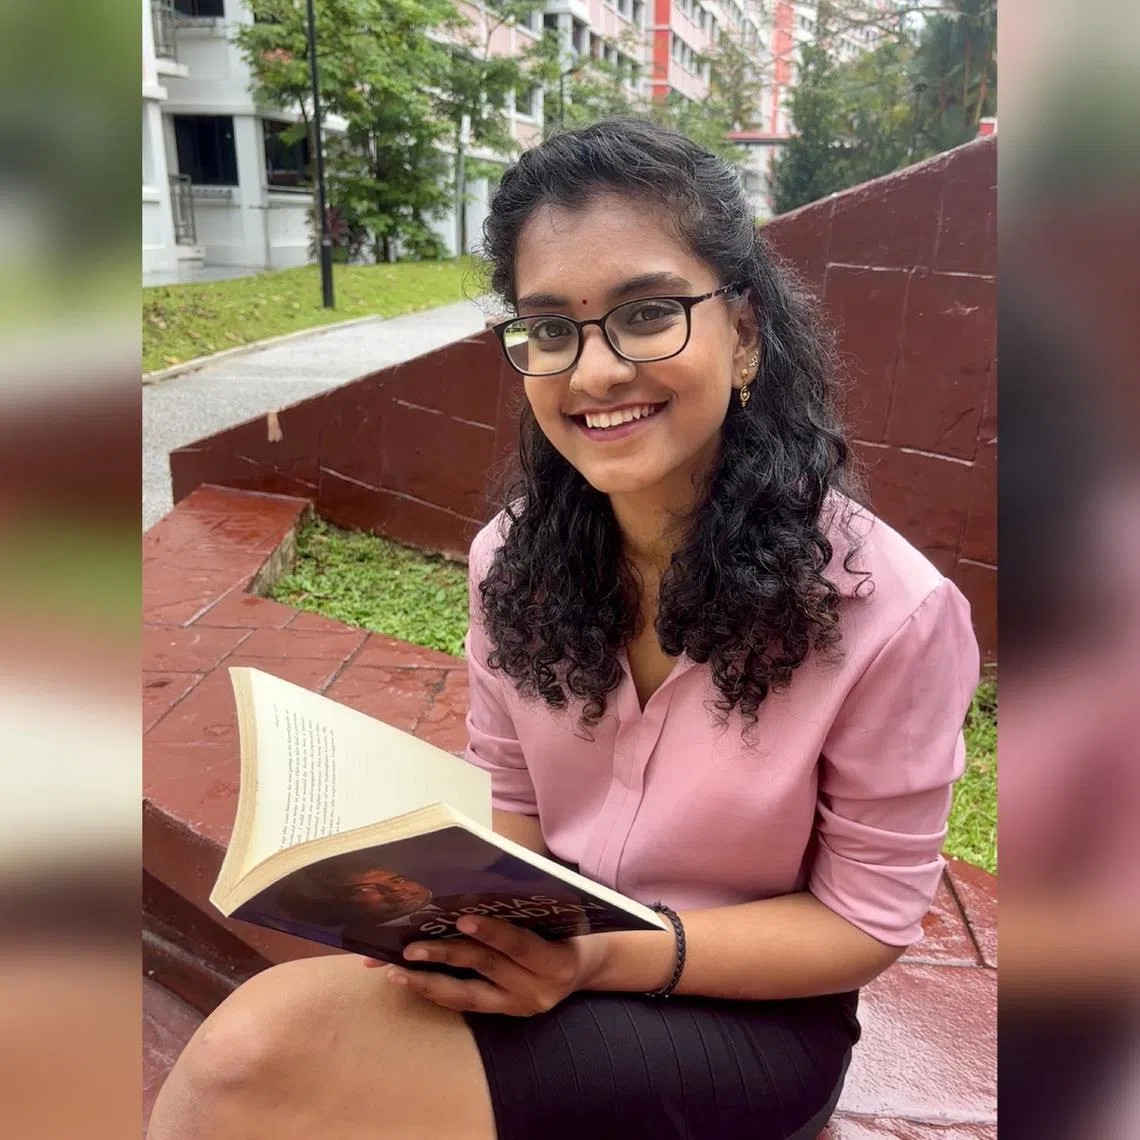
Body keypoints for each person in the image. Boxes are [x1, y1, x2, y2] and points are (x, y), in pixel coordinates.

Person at [147, 118, 979, 1140]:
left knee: (260, 1059)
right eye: (549, 329)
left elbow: (863, 923)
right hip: (556, 949)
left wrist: (598, 958)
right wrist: (453, 918)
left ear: (747, 335)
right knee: (262, 1053)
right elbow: (511, 803)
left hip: (749, 1016)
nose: (593, 375)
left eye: (647, 314)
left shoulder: (889, 612)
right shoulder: (515, 560)